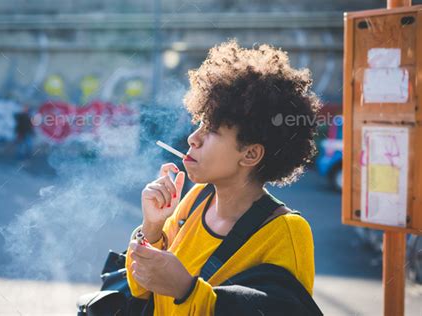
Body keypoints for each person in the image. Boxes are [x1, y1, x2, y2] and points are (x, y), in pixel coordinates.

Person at [126, 40, 323, 315]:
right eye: (200, 124)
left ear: (251, 154)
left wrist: (187, 290)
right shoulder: (196, 198)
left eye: (212, 130)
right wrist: (152, 227)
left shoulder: (287, 231)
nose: (193, 139)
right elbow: (140, 289)